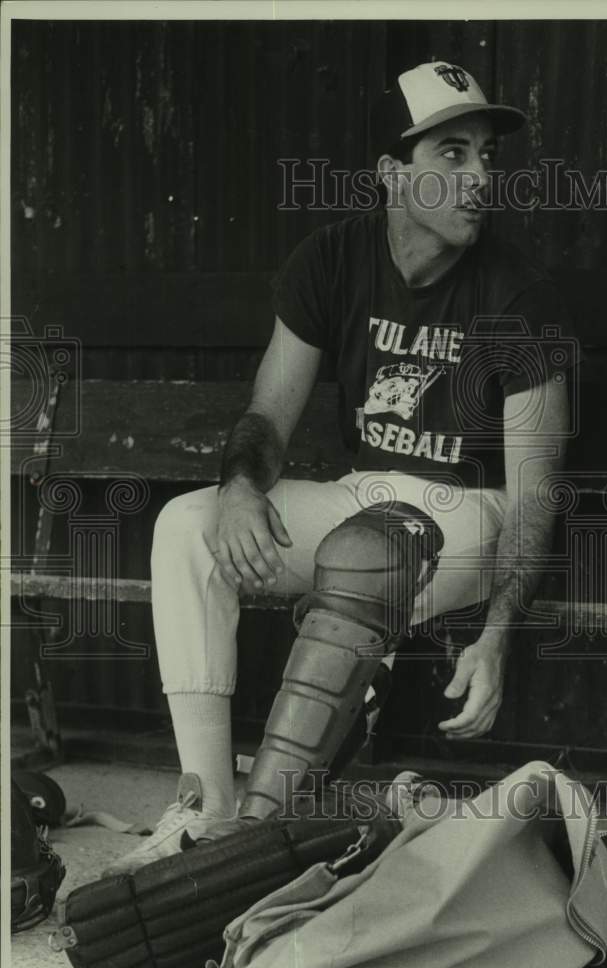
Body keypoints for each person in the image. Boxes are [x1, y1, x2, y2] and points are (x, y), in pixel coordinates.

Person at [103, 60, 577, 877]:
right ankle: (208, 813)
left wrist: (497, 635)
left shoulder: (519, 293)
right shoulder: (333, 260)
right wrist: (242, 487)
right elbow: (267, 416)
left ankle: (268, 832)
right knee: (188, 526)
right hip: (364, 501)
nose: (478, 179)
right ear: (393, 175)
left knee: (368, 554)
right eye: (452, 156)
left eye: (486, 156)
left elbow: (537, 494)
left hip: (470, 513)